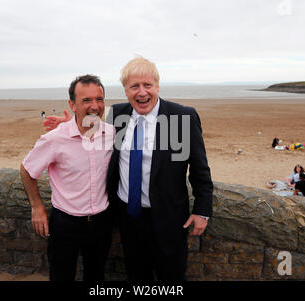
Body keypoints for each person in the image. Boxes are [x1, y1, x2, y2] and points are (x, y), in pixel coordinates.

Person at [47, 57, 213, 280]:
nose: (141, 92)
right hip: (129, 217)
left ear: (157, 86)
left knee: (171, 276)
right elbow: (91, 130)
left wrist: (202, 211)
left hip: (169, 218)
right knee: (137, 275)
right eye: (134, 86)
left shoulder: (181, 117)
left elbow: (199, 168)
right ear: (126, 90)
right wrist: (66, 125)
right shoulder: (118, 114)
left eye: (147, 85)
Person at [20, 74, 115, 281]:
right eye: (86, 100)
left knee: (96, 276)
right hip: (65, 224)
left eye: (99, 99)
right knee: (61, 276)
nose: (94, 105)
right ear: (72, 104)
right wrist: (36, 206)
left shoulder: (111, 133)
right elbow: (27, 169)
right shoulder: (55, 138)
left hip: (101, 222)